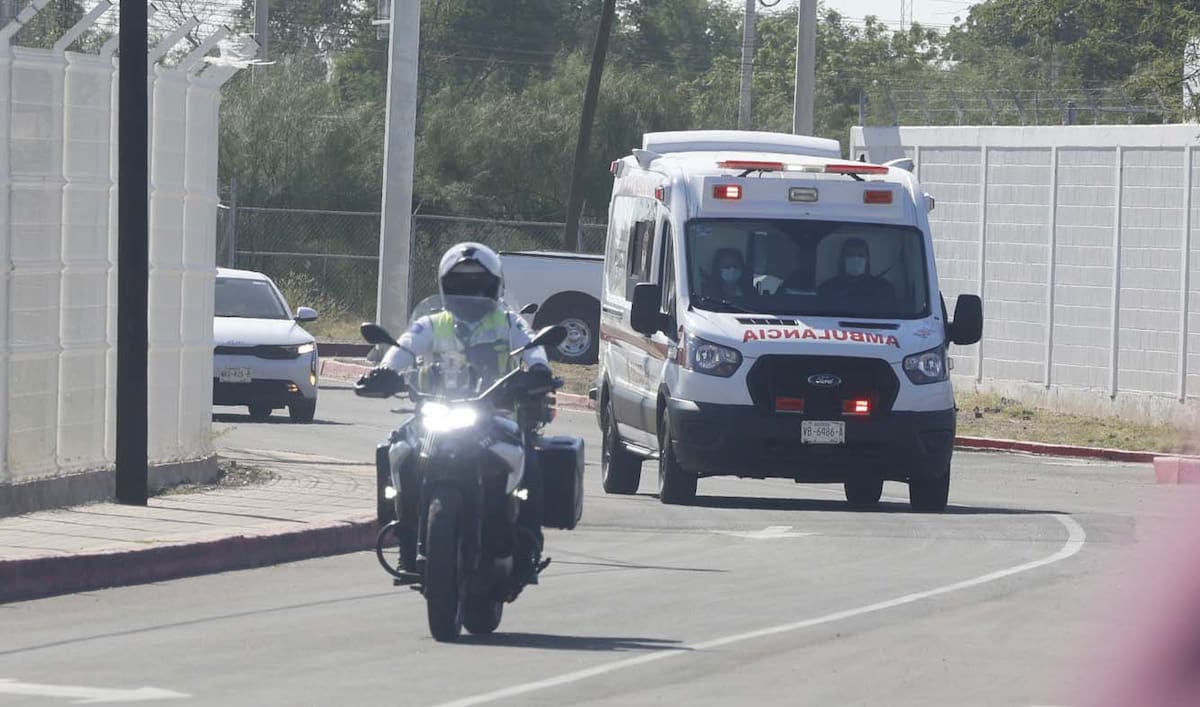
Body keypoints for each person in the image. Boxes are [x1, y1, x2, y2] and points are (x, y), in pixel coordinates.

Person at [357, 242, 554, 585]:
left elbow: (533, 348)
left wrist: (538, 371)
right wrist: (384, 373)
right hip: (436, 410)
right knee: (396, 449)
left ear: (494, 286)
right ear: (446, 287)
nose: (470, 292)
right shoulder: (431, 324)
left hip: (496, 413)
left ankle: (527, 549)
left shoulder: (509, 323)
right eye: (461, 285)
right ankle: (403, 536)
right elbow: (403, 348)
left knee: (532, 461)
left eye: (478, 284)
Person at [817, 237, 897, 304]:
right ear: (842, 259)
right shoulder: (828, 288)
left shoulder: (884, 288)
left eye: (860, 255)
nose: (855, 259)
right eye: (850, 255)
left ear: (868, 259)